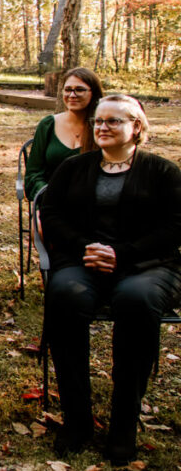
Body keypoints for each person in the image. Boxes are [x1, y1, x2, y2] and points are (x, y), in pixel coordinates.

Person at [41, 94, 181, 465]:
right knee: (65, 297)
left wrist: (124, 253)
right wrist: (83, 246)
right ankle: (78, 421)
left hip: (147, 265)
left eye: (114, 121)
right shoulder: (74, 168)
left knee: (136, 301)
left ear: (136, 127)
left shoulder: (163, 172)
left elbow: (176, 226)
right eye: (99, 121)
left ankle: (123, 426)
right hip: (83, 261)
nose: (102, 127)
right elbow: (50, 211)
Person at [24, 67, 103, 202]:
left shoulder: (102, 127)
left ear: (93, 93)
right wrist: (47, 195)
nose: (72, 95)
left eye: (79, 89)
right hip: (50, 201)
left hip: (91, 204)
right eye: (68, 90)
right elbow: (33, 174)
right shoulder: (48, 125)